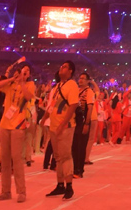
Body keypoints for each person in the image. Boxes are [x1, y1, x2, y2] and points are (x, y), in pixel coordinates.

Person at [0, 61, 35, 202]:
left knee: (17, 159)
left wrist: (23, 82)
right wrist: (13, 78)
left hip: (18, 125)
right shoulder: (10, 85)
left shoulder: (30, 85)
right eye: (22, 71)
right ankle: (5, 191)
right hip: (5, 124)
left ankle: (21, 191)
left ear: (29, 74)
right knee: (5, 160)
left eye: (27, 71)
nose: (24, 73)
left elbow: (29, 97)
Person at [45, 60, 79, 200]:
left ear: (70, 71)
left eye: (64, 66)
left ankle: (69, 186)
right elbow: (52, 105)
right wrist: (45, 118)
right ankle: (60, 185)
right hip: (54, 126)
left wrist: (62, 124)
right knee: (58, 157)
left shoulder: (72, 85)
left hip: (65, 126)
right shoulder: (57, 86)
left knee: (65, 156)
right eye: (61, 65)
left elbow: (73, 105)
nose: (61, 68)